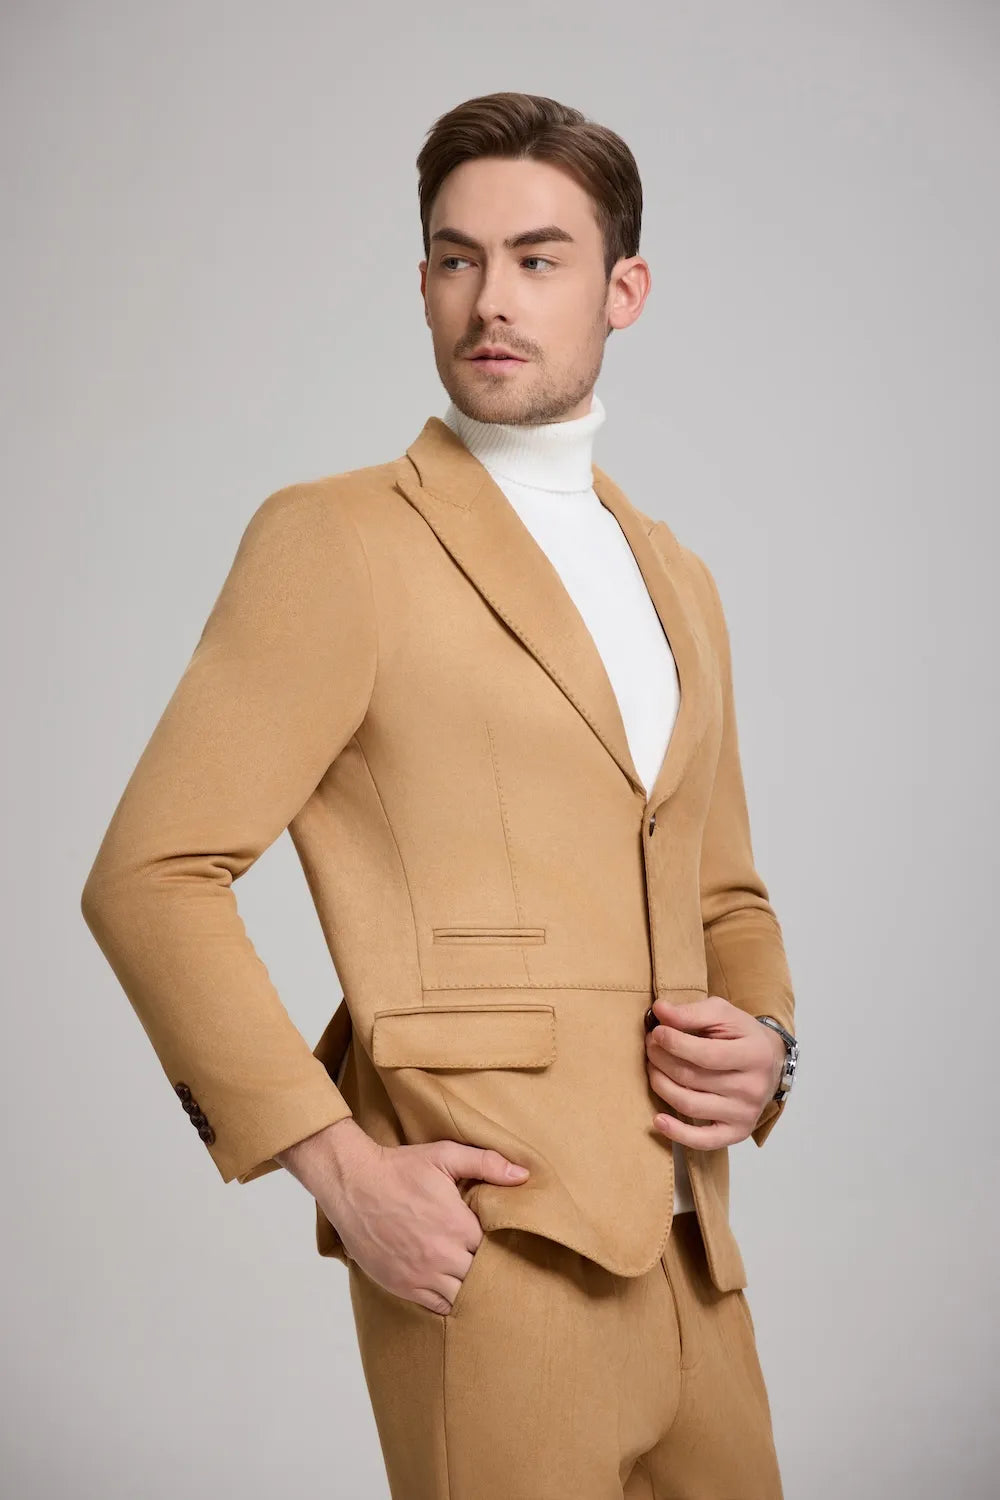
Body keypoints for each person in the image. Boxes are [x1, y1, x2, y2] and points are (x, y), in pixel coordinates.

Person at [81, 90, 799, 1499]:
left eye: (538, 258)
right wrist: (342, 1171)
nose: (492, 299)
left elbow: (726, 893)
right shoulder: (339, 540)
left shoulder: (680, 578)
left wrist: (772, 1050)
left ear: (623, 290)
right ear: (423, 283)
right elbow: (149, 876)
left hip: (695, 1255)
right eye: (457, 259)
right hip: (490, 1250)